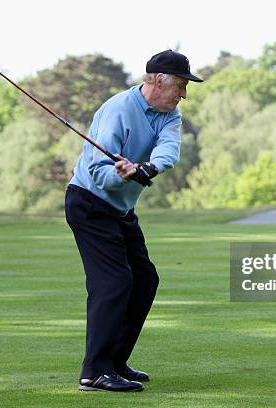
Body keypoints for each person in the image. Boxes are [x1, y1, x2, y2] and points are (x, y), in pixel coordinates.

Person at [64, 50, 202, 392]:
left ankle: (114, 361)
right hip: (89, 204)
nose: (183, 94)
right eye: (181, 86)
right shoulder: (117, 111)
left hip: (121, 210)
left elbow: (168, 150)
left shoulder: (170, 114)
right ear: (157, 81)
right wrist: (121, 176)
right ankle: (94, 371)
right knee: (113, 282)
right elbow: (97, 173)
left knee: (144, 280)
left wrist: (145, 169)